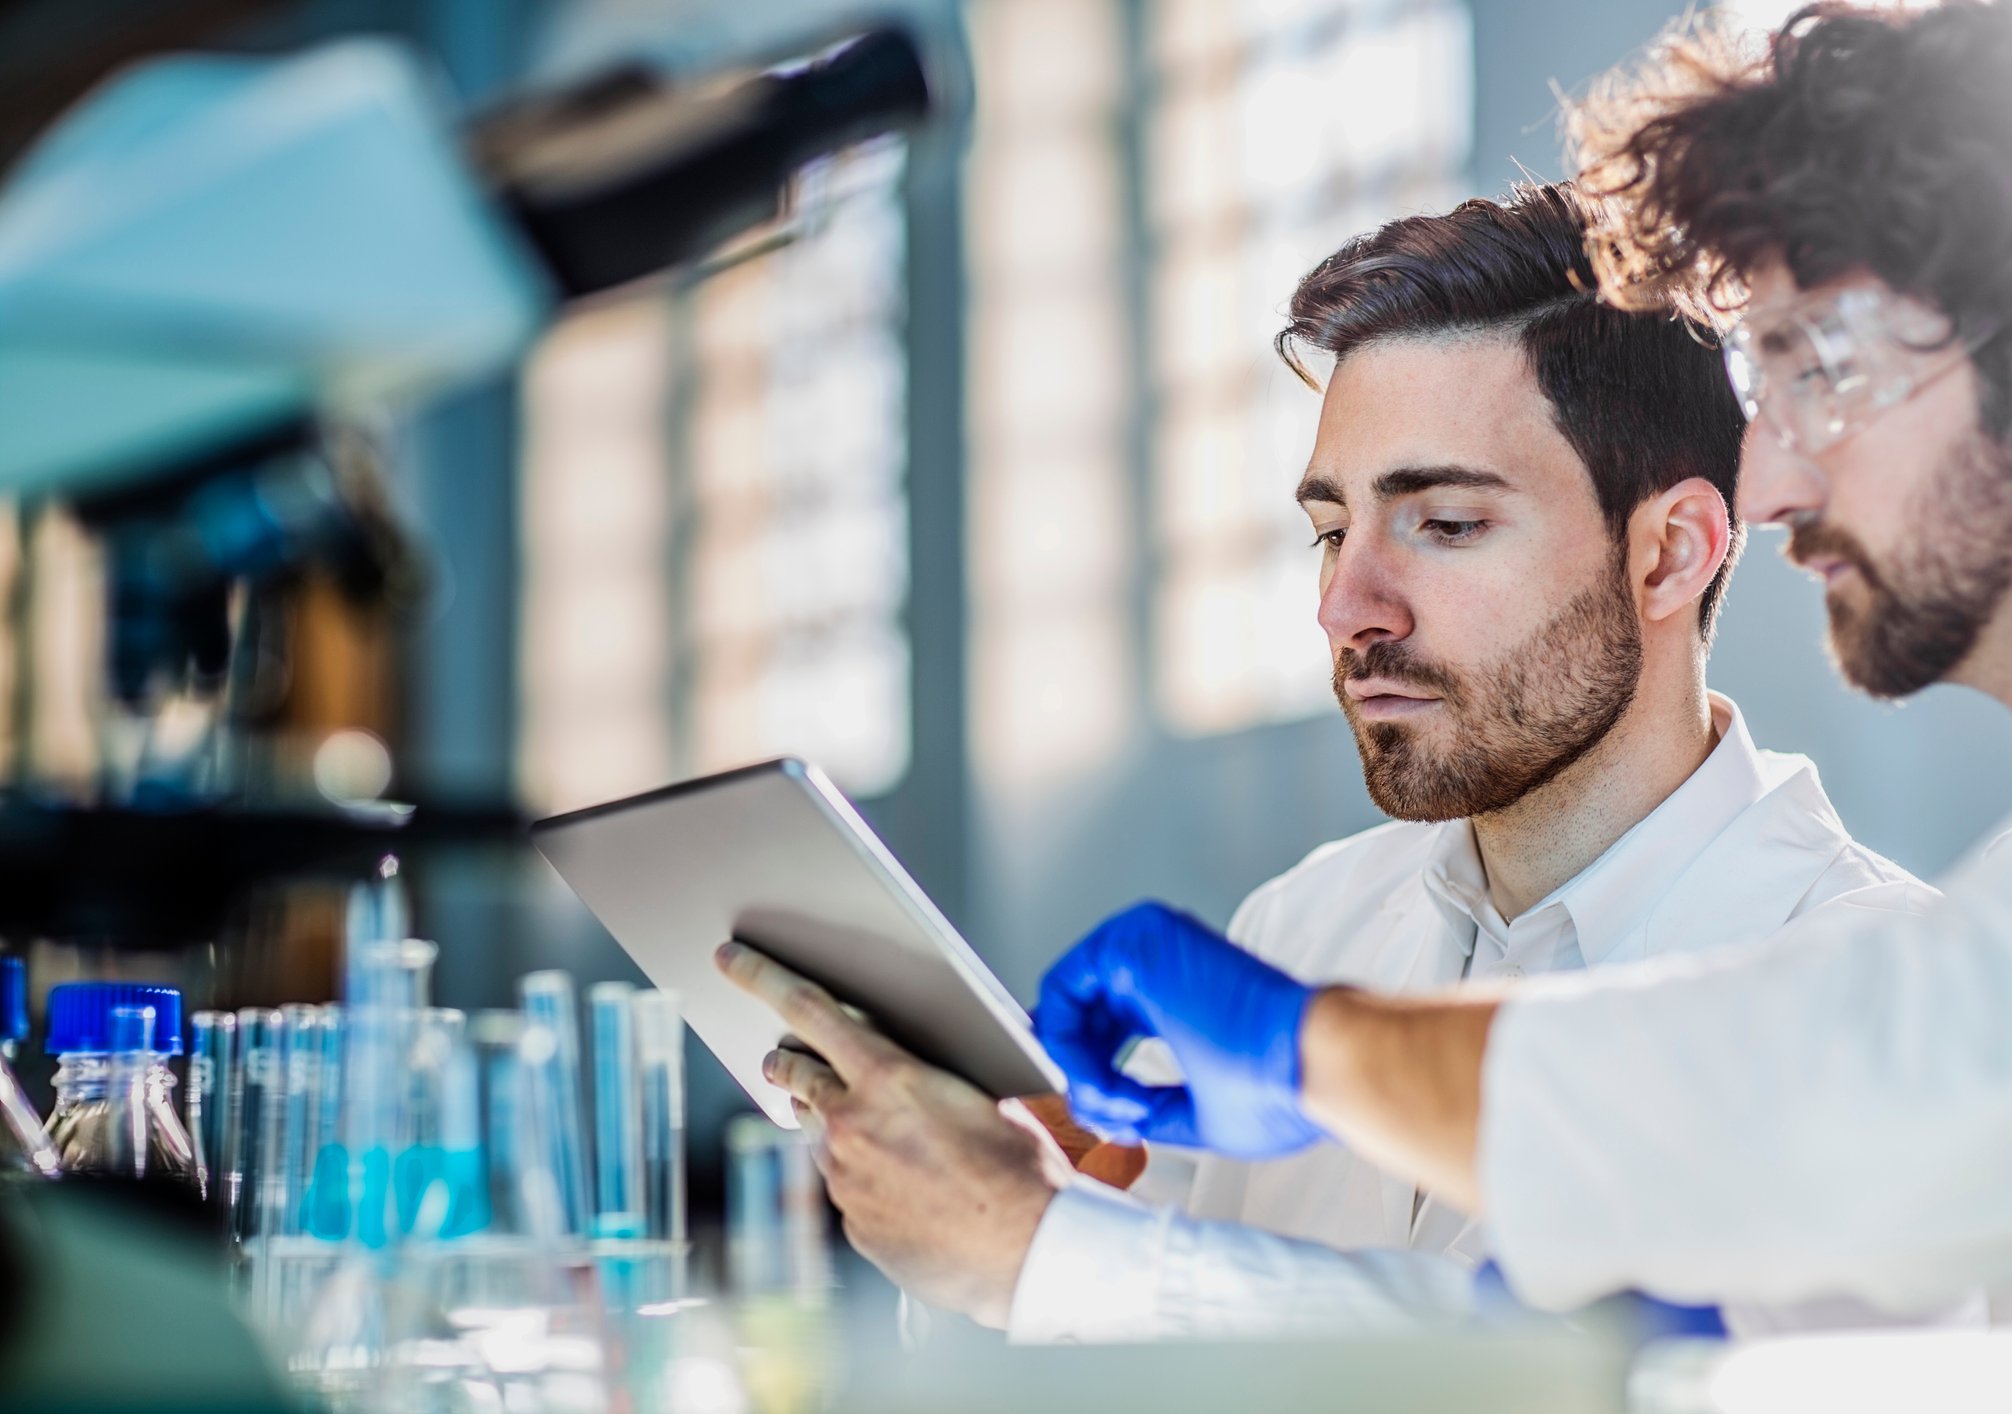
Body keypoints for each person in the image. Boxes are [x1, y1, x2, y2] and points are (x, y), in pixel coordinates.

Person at [1030, 0, 2012, 1320]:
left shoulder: (1907, 948)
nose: (1767, 477)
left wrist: (1302, 1056)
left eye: (1818, 367)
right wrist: (1050, 1215)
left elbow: (1858, 1080)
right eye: (1331, 529)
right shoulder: (1307, 921)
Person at [716, 182, 1940, 1338]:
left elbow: (1676, 1381)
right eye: (1330, 530)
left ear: (1671, 554)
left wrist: (1049, 1257)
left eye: (1446, 524)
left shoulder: (1892, 1000)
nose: (1348, 606)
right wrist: (1022, 1215)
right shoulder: (1300, 928)